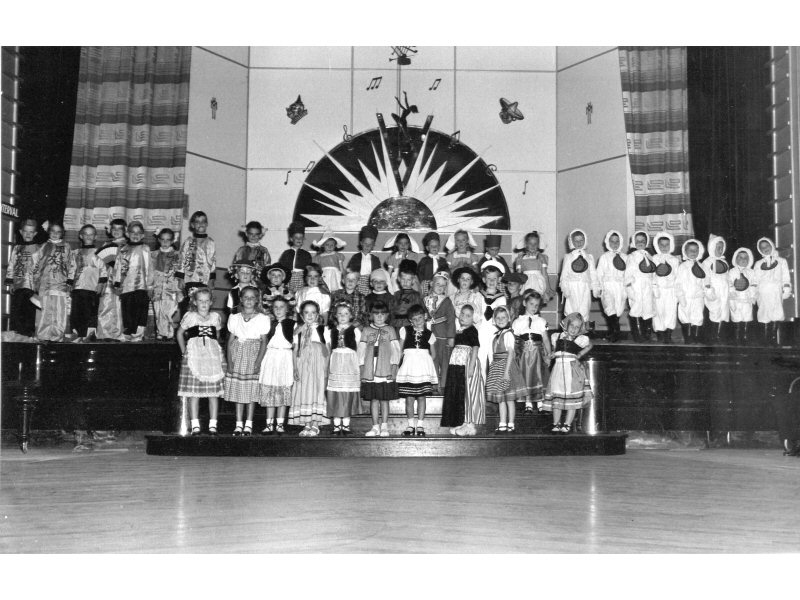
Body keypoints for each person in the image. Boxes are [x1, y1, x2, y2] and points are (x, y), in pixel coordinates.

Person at [176, 287, 225, 436]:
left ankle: (213, 424)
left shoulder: (215, 317)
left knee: (213, 393)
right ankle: (195, 424)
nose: (203, 304)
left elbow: (216, 336)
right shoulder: (190, 316)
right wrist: (184, 350)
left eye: (206, 301)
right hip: (194, 356)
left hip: (211, 357)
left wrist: (218, 352)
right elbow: (179, 333)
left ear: (211, 302)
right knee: (194, 393)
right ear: (195, 302)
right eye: (200, 301)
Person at [224, 286, 269, 436]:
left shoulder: (262, 318)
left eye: (252, 297)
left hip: (253, 354)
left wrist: (258, 361)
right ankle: (238, 423)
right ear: (241, 299)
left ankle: (249, 423)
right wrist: (230, 362)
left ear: (257, 300)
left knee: (251, 391)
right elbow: (230, 341)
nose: (249, 300)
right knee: (239, 390)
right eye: (246, 297)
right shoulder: (235, 318)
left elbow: (263, 342)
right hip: (238, 354)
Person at [543, 312, 593, 434]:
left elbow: (590, 345)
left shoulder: (581, 339)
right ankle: (556, 423)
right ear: (566, 324)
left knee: (572, 400)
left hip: (572, 370)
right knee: (557, 398)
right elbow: (555, 351)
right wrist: (551, 355)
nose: (574, 329)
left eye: (577, 327)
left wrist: (580, 354)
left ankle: (567, 424)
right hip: (559, 369)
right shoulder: (557, 336)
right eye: (572, 326)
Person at [358, 301, 401, 437]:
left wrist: (394, 367)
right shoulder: (366, 330)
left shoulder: (390, 330)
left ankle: (384, 427)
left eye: (382, 314)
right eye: (376, 314)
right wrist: (361, 367)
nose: (379, 317)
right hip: (370, 370)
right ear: (371, 315)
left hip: (385, 369)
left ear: (387, 315)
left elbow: (396, 350)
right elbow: (361, 350)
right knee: (374, 399)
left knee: (384, 399)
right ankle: (375, 426)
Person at [440, 304, 484, 436]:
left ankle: (469, 425)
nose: (464, 317)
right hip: (456, 365)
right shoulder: (459, 330)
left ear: (473, 319)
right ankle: (459, 422)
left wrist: (470, 368)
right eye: (462, 314)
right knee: (457, 392)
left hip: (466, 365)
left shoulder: (472, 330)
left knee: (467, 393)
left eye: (468, 315)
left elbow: (475, 348)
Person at [396, 304, 438, 437]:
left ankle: (420, 425)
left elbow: (434, 354)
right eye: (414, 319)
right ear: (410, 320)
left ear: (425, 317)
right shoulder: (405, 330)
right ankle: (410, 425)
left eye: (420, 318)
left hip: (422, 368)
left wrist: (425, 362)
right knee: (409, 397)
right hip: (409, 366)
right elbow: (400, 349)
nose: (417, 321)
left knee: (421, 397)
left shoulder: (429, 334)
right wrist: (398, 364)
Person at [485, 306, 526, 433]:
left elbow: (511, 353)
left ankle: (511, 423)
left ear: (508, 318)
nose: (501, 320)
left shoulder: (508, 334)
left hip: (507, 367)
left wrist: (506, 372)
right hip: (497, 366)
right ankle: (502, 422)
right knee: (500, 399)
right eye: (498, 318)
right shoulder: (496, 335)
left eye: (503, 317)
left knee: (509, 398)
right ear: (494, 320)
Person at [291, 300, 329, 436]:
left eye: (313, 312)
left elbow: (327, 350)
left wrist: (326, 369)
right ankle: (306, 424)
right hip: (303, 364)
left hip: (318, 365)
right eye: (307, 312)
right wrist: (295, 368)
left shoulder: (323, 329)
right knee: (304, 391)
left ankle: (315, 424)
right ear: (301, 315)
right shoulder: (298, 330)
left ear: (318, 314)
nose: (310, 315)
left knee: (316, 391)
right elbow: (295, 350)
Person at [258, 296, 295, 435]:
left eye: (282, 307)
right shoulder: (269, 323)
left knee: (282, 390)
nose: (278, 310)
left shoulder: (292, 324)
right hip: (271, 357)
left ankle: (280, 423)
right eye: (276, 307)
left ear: (287, 309)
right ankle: (269, 424)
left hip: (285, 357)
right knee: (270, 391)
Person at [512, 290, 552, 414]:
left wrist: (549, 355)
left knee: (539, 376)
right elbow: (514, 340)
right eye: (531, 304)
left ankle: (540, 403)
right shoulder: (517, 322)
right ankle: (528, 403)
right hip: (524, 354)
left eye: (536, 305)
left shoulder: (541, 321)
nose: (534, 307)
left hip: (538, 354)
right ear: (524, 303)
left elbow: (545, 339)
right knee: (526, 377)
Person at [113, 221, 153, 342]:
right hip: (127, 286)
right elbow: (118, 267)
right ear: (127, 234)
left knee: (140, 311)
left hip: (141, 286)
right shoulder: (123, 249)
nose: (135, 235)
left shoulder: (145, 249)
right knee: (127, 310)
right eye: (132, 232)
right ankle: (128, 332)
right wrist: (117, 283)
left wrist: (150, 286)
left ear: (142, 235)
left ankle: (138, 334)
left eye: (138, 233)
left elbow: (149, 268)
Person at [326, 302, 362, 435]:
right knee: (335, 392)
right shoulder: (330, 331)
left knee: (347, 392)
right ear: (335, 316)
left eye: (346, 314)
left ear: (351, 316)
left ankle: (346, 424)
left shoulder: (355, 330)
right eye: (340, 314)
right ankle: (336, 425)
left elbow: (358, 347)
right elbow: (329, 348)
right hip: (336, 361)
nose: (342, 316)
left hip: (349, 362)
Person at [32, 222, 73, 342]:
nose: (55, 234)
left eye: (58, 231)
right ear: (48, 232)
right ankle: (44, 334)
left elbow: (72, 264)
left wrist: (70, 280)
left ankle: (57, 335)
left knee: (59, 310)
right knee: (45, 310)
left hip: (61, 283)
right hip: (45, 284)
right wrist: (35, 280)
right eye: (53, 231)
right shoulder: (43, 246)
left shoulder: (66, 246)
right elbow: (36, 264)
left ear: (62, 233)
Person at [3, 218, 40, 341]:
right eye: (25, 231)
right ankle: (18, 336)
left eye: (31, 232)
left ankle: (28, 336)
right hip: (18, 285)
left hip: (30, 286)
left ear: (35, 233)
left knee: (29, 311)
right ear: (20, 232)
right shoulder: (17, 248)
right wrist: (10, 281)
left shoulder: (38, 249)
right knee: (17, 310)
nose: (28, 234)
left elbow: (39, 267)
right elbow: (12, 264)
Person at [67, 224, 105, 343]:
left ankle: (89, 336)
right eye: (86, 234)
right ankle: (77, 334)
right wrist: (69, 282)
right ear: (81, 236)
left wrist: (101, 283)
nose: (88, 236)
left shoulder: (99, 252)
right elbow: (72, 268)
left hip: (92, 288)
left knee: (91, 313)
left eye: (91, 234)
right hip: (78, 288)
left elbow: (103, 269)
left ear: (95, 237)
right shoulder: (75, 252)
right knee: (77, 312)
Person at [175, 211, 216, 316]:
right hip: (189, 279)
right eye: (197, 222)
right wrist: (180, 278)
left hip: (204, 281)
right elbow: (182, 259)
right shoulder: (188, 242)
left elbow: (213, 261)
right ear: (192, 225)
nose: (200, 224)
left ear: (207, 224)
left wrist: (212, 279)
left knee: (202, 306)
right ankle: (187, 329)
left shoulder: (211, 242)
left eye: (203, 221)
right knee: (188, 306)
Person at [753, 237, 792, 346]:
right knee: (764, 313)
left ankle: (773, 339)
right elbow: (755, 279)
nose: (765, 248)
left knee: (776, 313)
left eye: (767, 246)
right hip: (763, 292)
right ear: (759, 250)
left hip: (776, 291)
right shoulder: (758, 263)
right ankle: (765, 339)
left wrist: (786, 288)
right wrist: (754, 291)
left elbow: (785, 276)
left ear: (772, 245)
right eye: (762, 247)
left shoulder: (781, 261)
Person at [95, 218, 127, 341]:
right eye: (114, 228)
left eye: (120, 229)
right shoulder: (106, 245)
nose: (116, 231)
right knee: (104, 304)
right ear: (110, 230)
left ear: (125, 230)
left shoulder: (126, 246)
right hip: (106, 279)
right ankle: (103, 333)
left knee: (118, 306)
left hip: (121, 280)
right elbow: (100, 261)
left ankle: (117, 333)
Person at [424, 271, 456, 393]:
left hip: (443, 335)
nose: (440, 287)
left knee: (444, 360)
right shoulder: (425, 299)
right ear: (431, 283)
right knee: (432, 359)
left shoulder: (447, 301)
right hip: (429, 334)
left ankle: (444, 385)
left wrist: (451, 336)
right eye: (437, 284)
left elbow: (451, 319)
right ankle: (433, 384)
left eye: (443, 285)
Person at [559, 228, 600, 323]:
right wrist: (565, 288)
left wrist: (595, 288)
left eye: (581, 240)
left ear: (585, 240)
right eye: (576, 241)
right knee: (571, 308)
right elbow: (564, 274)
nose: (579, 243)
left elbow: (593, 274)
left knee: (584, 308)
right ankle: (569, 332)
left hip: (585, 286)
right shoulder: (568, 257)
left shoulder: (589, 257)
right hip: (572, 286)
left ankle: (582, 332)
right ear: (571, 242)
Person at [675, 239, 710, 344]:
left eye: (696, 250)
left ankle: (696, 338)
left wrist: (708, 290)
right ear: (685, 252)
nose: (693, 253)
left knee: (697, 316)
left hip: (698, 297)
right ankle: (688, 339)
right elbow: (678, 283)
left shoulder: (703, 266)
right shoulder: (682, 267)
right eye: (691, 250)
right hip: (686, 297)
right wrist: (681, 297)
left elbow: (706, 280)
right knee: (685, 317)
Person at [150, 228, 183, 340]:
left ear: (173, 240)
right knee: (158, 310)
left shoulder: (178, 255)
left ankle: (170, 333)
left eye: (168, 240)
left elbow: (181, 272)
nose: (165, 242)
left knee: (169, 311)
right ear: (159, 240)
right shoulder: (153, 255)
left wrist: (179, 289)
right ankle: (160, 332)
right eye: (162, 239)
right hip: (157, 288)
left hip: (171, 288)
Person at [595, 229, 627, 342]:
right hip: (607, 286)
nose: (614, 244)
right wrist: (597, 288)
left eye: (617, 241)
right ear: (607, 242)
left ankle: (611, 331)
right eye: (612, 241)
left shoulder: (625, 257)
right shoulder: (604, 257)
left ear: (621, 242)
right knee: (610, 308)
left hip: (620, 287)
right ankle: (616, 331)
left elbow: (628, 273)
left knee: (618, 309)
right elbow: (599, 274)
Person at [624, 230, 656, 342]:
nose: (640, 243)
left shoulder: (650, 256)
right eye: (638, 241)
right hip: (636, 285)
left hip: (647, 285)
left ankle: (647, 334)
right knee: (636, 308)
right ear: (633, 242)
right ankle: (638, 335)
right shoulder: (632, 256)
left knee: (648, 308)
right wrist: (629, 289)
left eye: (643, 241)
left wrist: (654, 286)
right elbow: (628, 274)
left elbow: (653, 273)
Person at [651, 232, 680, 344]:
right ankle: (660, 334)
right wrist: (654, 287)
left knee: (670, 312)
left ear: (671, 245)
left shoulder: (674, 260)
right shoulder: (653, 258)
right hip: (658, 290)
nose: (664, 247)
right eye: (661, 245)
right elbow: (651, 275)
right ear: (657, 246)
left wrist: (677, 292)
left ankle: (668, 334)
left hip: (670, 291)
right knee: (658, 312)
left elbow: (678, 276)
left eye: (666, 244)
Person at [702, 233, 731, 343]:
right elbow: (706, 277)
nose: (719, 249)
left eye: (721, 247)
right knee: (714, 312)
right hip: (713, 291)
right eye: (717, 247)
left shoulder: (724, 262)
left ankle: (719, 335)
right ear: (711, 247)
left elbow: (727, 277)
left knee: (723, 312)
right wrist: (708, 289)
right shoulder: (707, 262)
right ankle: (711, 336)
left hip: (724, 291)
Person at [728, 247, 757, 344]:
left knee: (747, 316)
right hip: (735, 298)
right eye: (740, 257)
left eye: (746, 258)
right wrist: (732, 292)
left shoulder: (751, 272)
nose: (743, 260)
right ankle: (737, 337)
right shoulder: (732, 271)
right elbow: (729, 282)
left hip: (746, 298)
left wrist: (752, 295)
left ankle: (744, 336)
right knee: (736, 316)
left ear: (749, 260)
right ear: (735, 259)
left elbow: (754, 283)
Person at [513, 230, 554, 300]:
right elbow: (518, 276)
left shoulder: (541, 257)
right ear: (526, 245)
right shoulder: (520, 259)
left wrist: (548, 288)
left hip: (538, 284)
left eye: (535, 243)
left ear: (538, 245)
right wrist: (517, 288)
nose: (533, 246)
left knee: (536, 301)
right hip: (526, 283)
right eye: (530, 243)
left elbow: (545, 274)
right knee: (526, 301)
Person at [278, 222, 313, 294]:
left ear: (303, 239)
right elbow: (282, 267)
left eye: (301, 237)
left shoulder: (306, 254)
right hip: (289, 278)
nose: (299, 239)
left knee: (300, 295)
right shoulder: (286, 253)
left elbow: (309, 269)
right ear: (291, 239)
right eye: (296, 237)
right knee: (288, 295)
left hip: (301, 278)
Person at [347, 225, 382, 296]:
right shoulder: (356, 257)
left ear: (373, 246)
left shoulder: (375, 259)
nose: (367, 246)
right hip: (358, 280)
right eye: (365, 244)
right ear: (361, 243)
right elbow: (351, 270)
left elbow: (377, 272)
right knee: (358, 296)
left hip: (370, 281)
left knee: (369, 297)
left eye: (370, 244)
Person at [392, 259, 425, 330]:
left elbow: (420, 311)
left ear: (413, 280)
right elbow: (391, 310)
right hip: (395, 325)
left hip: (409, 325)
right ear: (399, 278)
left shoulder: (415, 295)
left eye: (408, 280)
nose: (405, 282)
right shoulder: (395, 294)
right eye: (403, 279)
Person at [417, 231, 449, 297]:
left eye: (436, 246)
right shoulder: (424, 261)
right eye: (432, 246)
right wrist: (422, 282)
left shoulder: (443, 261)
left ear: (439, 246)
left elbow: (446, 272)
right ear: (427, 248)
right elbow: (419, 273)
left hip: (440, 284)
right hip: (427, 284)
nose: (434, 248)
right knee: (427, 299)